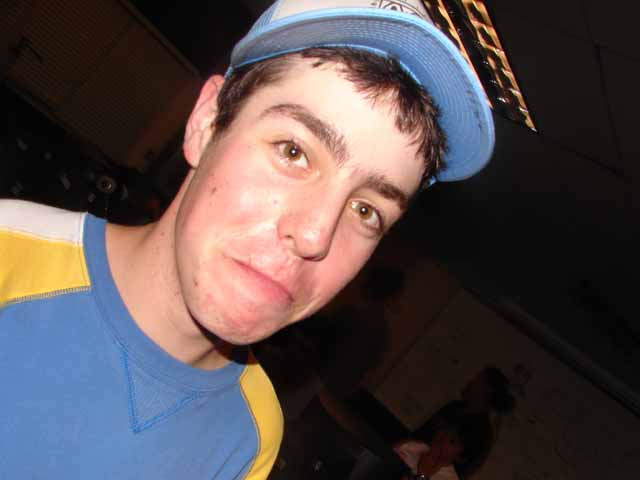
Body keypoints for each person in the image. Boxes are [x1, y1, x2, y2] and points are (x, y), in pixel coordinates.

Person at [0, 0, 494, 478]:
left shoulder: (255, 436)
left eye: (366, 211)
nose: (315, 235)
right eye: (293, 151)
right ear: (206, 123)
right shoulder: (9, 254)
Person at [413, 367, 516, 478]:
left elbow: (461, 472)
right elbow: (420, 434)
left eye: (477, 380)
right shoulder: (454, 407)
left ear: (486, 390)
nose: (470, 382)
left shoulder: (482, 433)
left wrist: (423, 473)